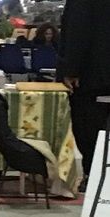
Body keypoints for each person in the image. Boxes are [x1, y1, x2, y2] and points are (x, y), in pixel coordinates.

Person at [59, 0, 110, 192]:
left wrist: (71, 69)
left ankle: (94, 174)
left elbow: (78, 32)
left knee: (88, 127)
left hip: (92, 76)